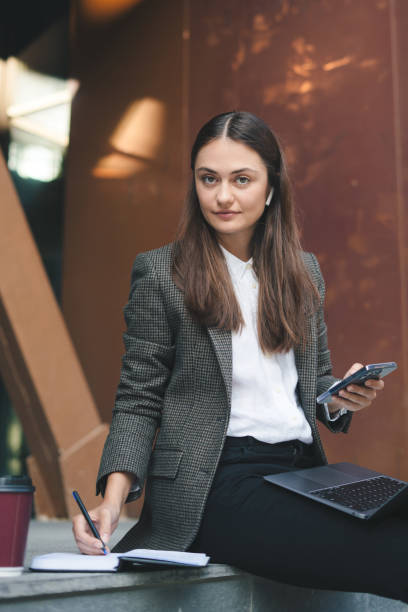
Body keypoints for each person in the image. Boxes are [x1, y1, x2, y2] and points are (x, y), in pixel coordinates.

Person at [73, 111, 408, 603]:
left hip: (303, 475)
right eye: (209, 179)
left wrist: (341, 398)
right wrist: (111, 502)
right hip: (216, 484)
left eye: (241, 179)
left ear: (271, 187)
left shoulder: (304, 272)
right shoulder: (163, 273)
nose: (223, 196)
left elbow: (314, 386)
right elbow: (138, 399)